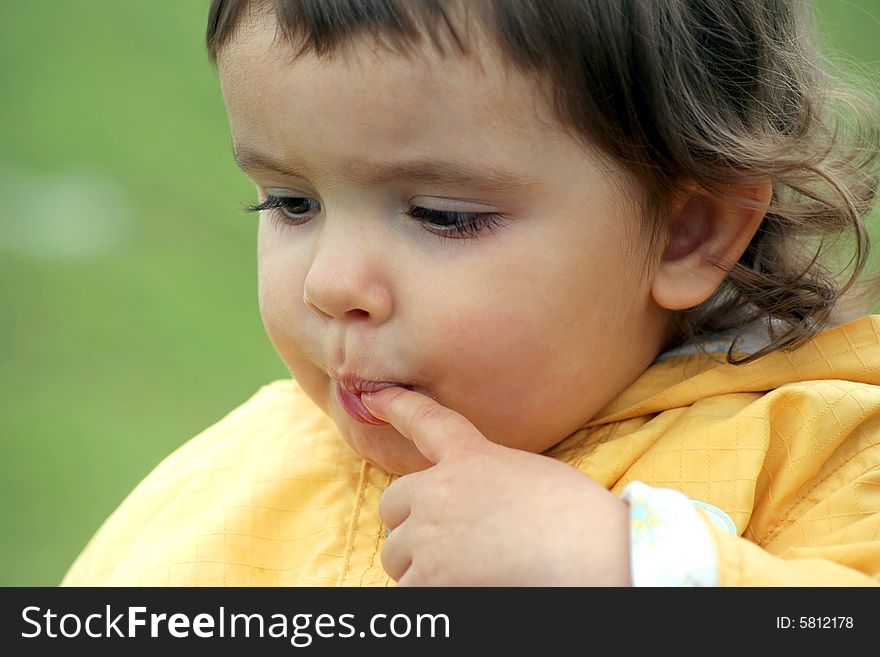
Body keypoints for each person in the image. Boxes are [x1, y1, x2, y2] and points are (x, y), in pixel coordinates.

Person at [62, 0, 880, 586]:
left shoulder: (825, 463)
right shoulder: (232, 477)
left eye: (443, 215)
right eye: (291, 202)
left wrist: (625, 569)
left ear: (688, 233)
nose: (331, 282)